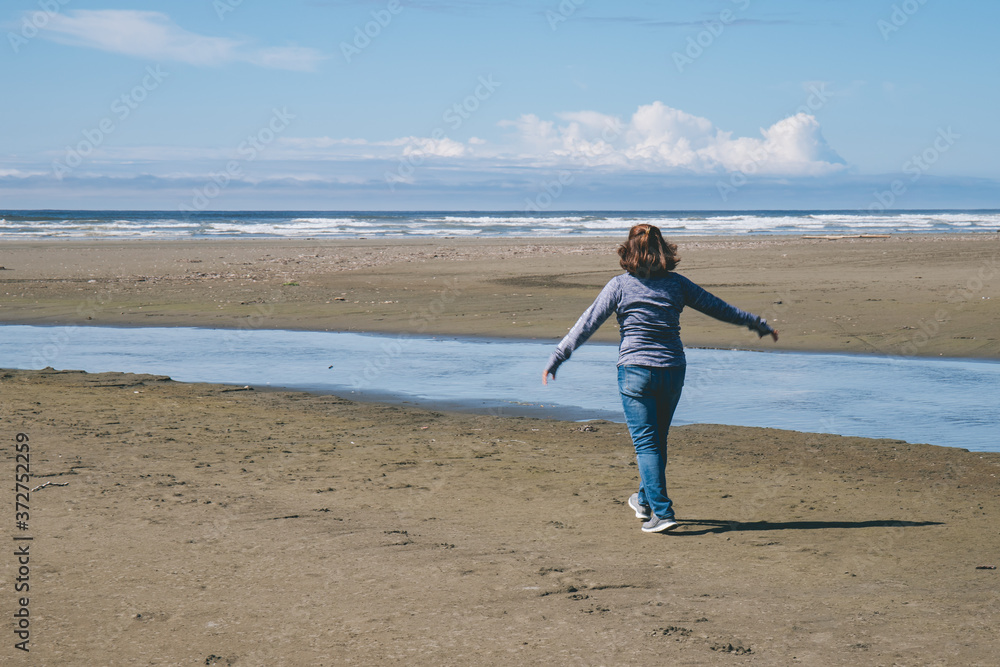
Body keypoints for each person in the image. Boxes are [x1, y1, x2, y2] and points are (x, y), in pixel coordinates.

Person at [542, 224, 779, 533]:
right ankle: (643, 502)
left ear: (628, 251)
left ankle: (663, 513)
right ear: (663, 250)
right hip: (672, 371)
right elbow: (719, 308)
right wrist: (757, 324)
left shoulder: (620, 286)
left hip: (635, 371)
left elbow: (587, 323)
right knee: (656, 441)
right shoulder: (677, 285)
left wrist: (557, 357)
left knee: (646, 444)